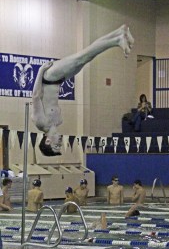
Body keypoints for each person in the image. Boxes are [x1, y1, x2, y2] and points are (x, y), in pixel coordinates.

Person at [31, 24, 134, 156]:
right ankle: (119, 33)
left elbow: (35, 96)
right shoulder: (58, 121)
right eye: (60, 146)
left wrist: (40, 71)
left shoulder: (41, 122)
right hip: (59, 80)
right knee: (87, 57)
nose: (60, 142)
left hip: (49, 77)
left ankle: (117, 39)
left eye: (56, 145)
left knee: (83, 56)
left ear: (47, 141)